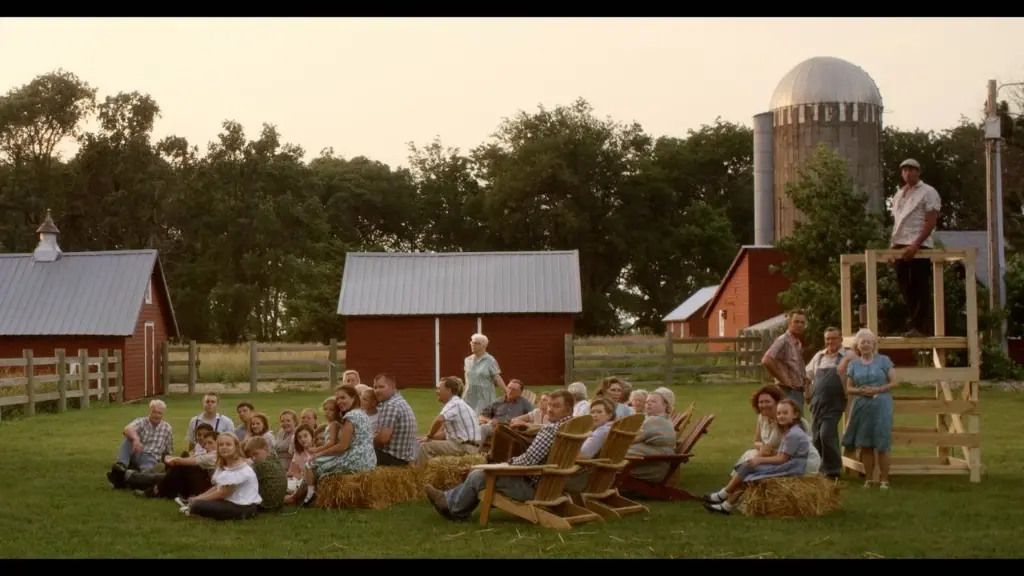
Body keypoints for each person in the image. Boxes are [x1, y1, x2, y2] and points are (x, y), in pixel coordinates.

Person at [422, 389, 576, 522]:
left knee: (479, 475)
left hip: (534, 489)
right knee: (482, 473)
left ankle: (453, 509)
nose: (549, 409)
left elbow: (528, 461)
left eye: (556, 406)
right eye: (549, 405)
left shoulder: (550, 431)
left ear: (568, 410)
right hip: (553, 486)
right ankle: (450, 500)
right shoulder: (572, 427)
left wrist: (507, 464)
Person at [703, 399, 811, 515]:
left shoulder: (793, 434)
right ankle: (726, 505)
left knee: (750, 467)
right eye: (779, 413)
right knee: (750, 470)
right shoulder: (790, 431)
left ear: (795, 415)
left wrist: (759, 460)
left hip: (791, 468)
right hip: (789, 465)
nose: (781, 416)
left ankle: (722, 495)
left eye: (785, 413)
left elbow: (782, 458)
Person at [889, 158, 941, 337]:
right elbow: (897, 222)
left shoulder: (928, 192)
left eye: (911, 169)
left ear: (918, 171)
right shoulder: (899, 194)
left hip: (919, 244)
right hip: (900, 244)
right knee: (905, 286)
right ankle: (915, 324)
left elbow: (931, 220)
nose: (908, 173)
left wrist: (916, 244)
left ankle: (922, 327)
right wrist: (892, 247)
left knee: (920, 285)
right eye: (904, 170)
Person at [842, 328, 896, 489]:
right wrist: (860, 390)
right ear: (857, 346)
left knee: (882, 443)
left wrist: (878, 390)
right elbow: (849, 388)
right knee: (865, 444)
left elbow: (894, 382)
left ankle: (884, 480)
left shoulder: (884, 361)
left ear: (874, 344)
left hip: (881, 405)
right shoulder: (853, 365)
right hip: (862, 406)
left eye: (868, 341)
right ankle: (869, 479)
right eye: (862, 342)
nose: (865, 344)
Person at [183, 433, 262, 520]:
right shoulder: (225, 465)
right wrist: (198, 497)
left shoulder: (240, 467)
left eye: (228, 444)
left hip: (244, 507)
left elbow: (223, 493)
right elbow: (218, 487)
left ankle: (202, 514)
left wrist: (199, 500)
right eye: (221, 445)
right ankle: (200, 512)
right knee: (198, 503)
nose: (224, 447)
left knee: (197, 505)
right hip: (230, 502)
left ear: (235, 447)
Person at [806, 327, 848, 479]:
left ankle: (833, 470)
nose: (830, 342)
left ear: (840, 339)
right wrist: (806, 393)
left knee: (826, 435)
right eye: (828, 339)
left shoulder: (847, 356)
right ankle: (819, 468)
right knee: (816, 437)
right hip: (816, 402)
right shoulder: (819, 356)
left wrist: (848, 359)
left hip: (834, 403)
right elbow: (807, 375)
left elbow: (860, 359)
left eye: (834, 338)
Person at [108, 400, 174, 489]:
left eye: (159, 413)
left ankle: (122, 477)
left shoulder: (167, 428)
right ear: (149, 411)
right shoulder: (141, 421)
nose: (156, 415)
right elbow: (127, 429)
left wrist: (168, 463)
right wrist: (136, 439)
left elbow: (168, 450)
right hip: (136, 452)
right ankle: (121, 465)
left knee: (148, 469)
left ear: (163, 414)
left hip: (151, 457)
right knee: (129, 438)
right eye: (154, 412)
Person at [417, 376, 483, 463]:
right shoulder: (459, 403)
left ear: (448, 390)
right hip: (469, 447)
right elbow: (445, 435)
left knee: (425, 446)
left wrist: (428, 437)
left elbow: (439, 420)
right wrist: (426, 437)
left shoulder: (453, 403)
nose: (437, 392)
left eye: (439, 389)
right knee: (426, 443)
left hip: (464, 447)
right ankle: (432, 471)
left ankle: (422, 474)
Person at [762, 310, 809, 405]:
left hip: (798, 391)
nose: (799, 325)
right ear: (789, 323)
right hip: (787, 391)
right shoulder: (782, 340)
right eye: (796, 322)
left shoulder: (797, 343)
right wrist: (784, 380)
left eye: (802, 322)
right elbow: (766, 360)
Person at [372, 373, 419, 466]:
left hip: (393, 459)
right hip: (404, 457)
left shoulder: (391, 406)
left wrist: (369, 439)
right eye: (375, 387)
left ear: (393, 387)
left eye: (381, 387)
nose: (377, 391)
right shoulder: (399, 401)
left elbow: (383, 439)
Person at [463, 333, 508, 414]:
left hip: (484, 396)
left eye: (476, 343)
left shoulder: (490, 360)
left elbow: (496, 377)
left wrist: (506, 390)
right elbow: (467, 377)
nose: (473, 345)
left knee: (481, 418)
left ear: (483, 345)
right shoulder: (467, 360)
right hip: (469, 396)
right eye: (472, 342)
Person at [244, 436, 288, 511]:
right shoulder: (275, 459)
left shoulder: (261, 465)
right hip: (278, 504)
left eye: (255, 454)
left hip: (266, 505)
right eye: (251, 457)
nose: (253, 459)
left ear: (265, 449)